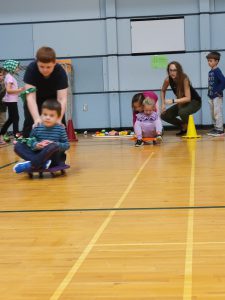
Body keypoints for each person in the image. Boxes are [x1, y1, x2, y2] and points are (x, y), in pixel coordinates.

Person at [13, 100, 70, 174]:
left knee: (53, 146)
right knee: (18, 145)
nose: (47, 117)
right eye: (45, 114)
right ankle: (41, 163)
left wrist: (55, 144)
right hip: (38, 154)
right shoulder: (37, 127)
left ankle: (31, 164)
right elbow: (31, 141)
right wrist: (36, 145)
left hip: (54, 158)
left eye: (51, 115)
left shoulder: (60, 128)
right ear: (41, 114)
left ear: (58, 117)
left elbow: (67, 145)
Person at [22, 46, 68, 137]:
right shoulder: (31, 69)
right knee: (31, 130)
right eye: (41, 66)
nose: (45, 70)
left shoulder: (60, 72)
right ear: (37, 62)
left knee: (58, 131)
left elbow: (62, 99)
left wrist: (58, 119)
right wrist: (36, 119)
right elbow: (30, 97)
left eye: (48, 67)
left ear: (54, 63)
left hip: (53, 103)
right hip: (35, 101)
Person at [161, 61, 202, 136]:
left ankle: (190, 128)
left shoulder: (184, 79)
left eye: (175, 70)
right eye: (171, 70)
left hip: (195, 102)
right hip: (182, 102)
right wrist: (163, 104)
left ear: (178, 70)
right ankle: (184, 126)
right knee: (164, 115)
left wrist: (173, 101)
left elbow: (188, 98)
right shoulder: (167, 80)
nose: (173, 72)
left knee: (182, 112)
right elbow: (163, 91)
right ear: (168, 71)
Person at [0, 60, 24, 140]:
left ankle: (2, 133)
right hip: (11, 101)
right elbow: (9, 90)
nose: (18, 68)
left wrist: (18, 92)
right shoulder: (9, 77)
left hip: (11, 100)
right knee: (16, 118)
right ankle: (16, 135)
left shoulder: (8, 76)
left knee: (11, 118)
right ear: (12, 68)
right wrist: (20, 90)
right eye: (16, 67)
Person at [206, 51, 225, 136]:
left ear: (216, 61)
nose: (209, 62)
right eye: (208, 61)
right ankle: (215, 128)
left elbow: (223, 81)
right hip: (211, 96)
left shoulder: (217, 71)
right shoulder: (210, 72)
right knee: (212, 112)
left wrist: (218, 91)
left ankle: (220, 129)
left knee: (217, 112)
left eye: (211, 61)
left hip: (217, 96)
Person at [0, 67, 6, 144]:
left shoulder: (4, 83)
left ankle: (1, 138)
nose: (1, 76)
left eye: (2, 75)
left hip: (3, 107)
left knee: (2, 123)